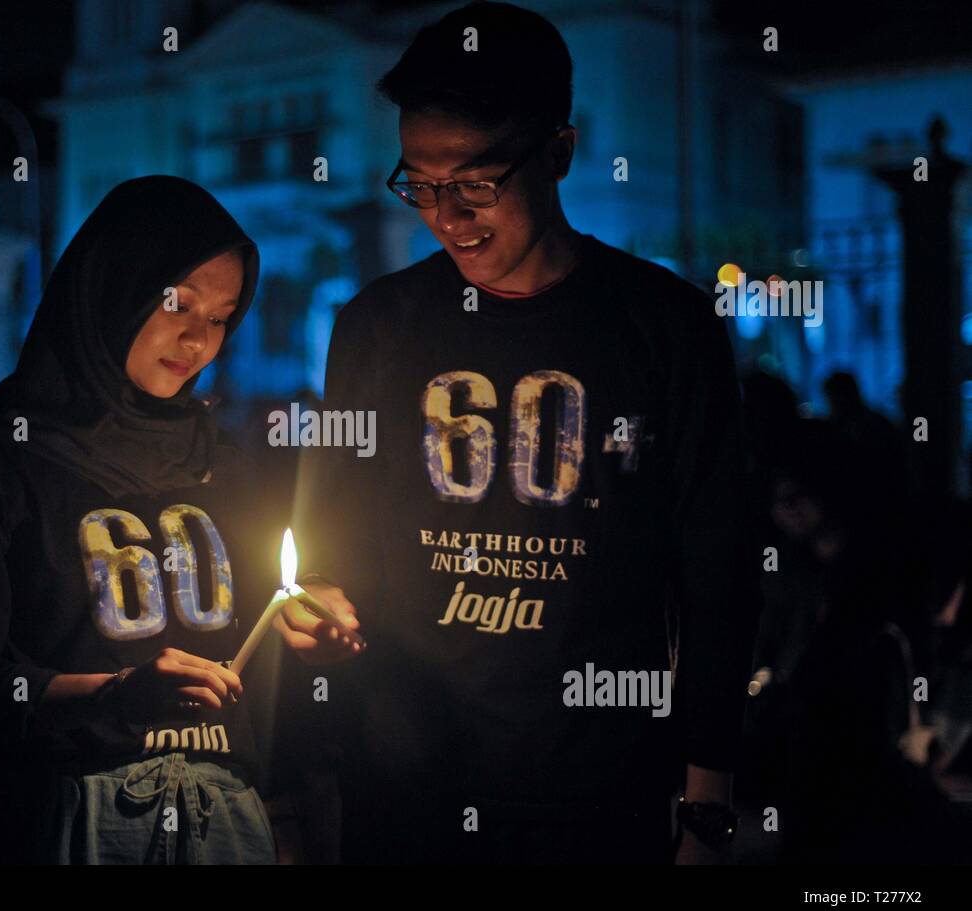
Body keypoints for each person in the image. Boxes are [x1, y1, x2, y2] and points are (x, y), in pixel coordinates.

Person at [281, 2, 762, 864]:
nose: (446, 216)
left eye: (474, 183)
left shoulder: (666, 326)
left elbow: (718, 573)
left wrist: (708, 797)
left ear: (560, 153)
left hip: (596, 790)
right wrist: (318, 609)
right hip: (408, 785)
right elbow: (329, 543)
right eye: (419, 185)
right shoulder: (375, 327)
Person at [0, 176, 349, 864]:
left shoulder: (223, 464)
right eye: (179, 303)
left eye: (223, 316)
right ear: (112, 284)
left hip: (225, 825)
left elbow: (265, 651)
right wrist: (115, 696)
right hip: (65, 820)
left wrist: (311, 619)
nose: (198, 338)